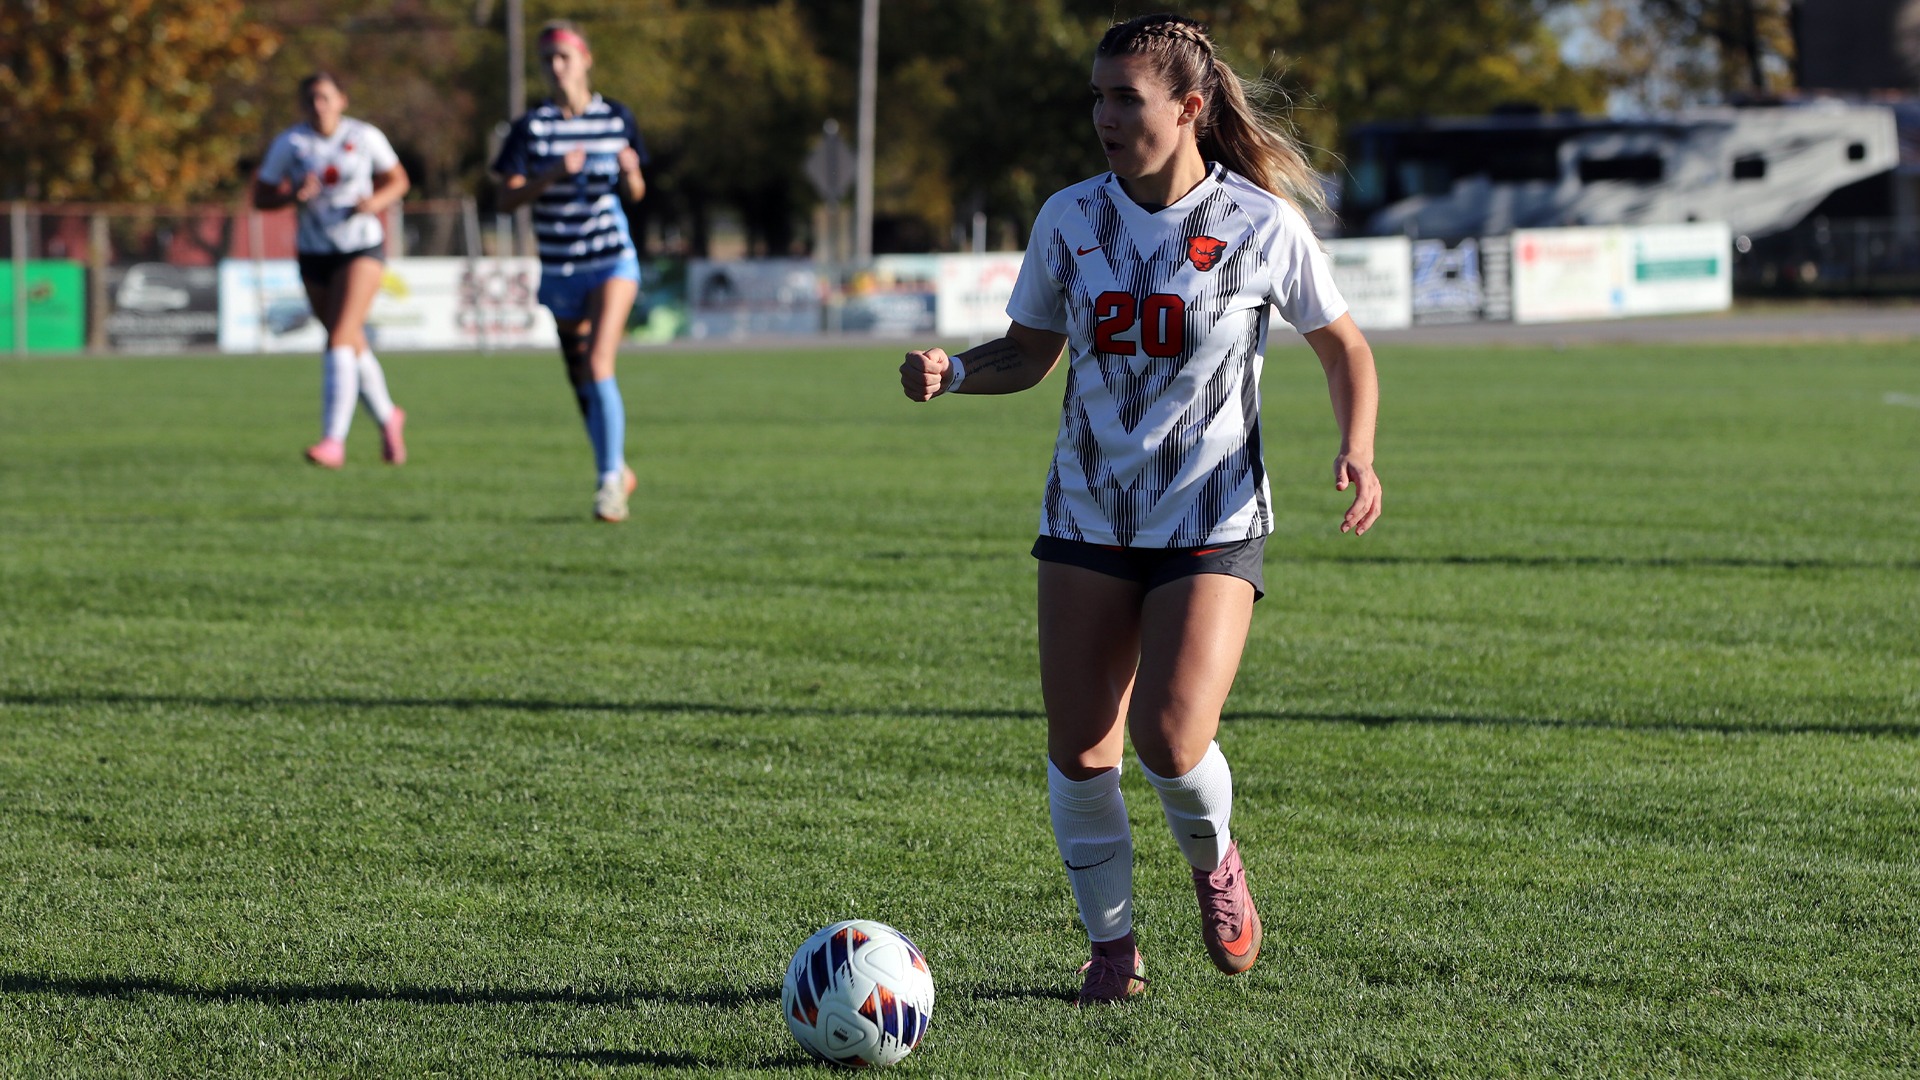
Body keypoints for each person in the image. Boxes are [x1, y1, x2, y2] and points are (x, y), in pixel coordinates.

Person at [899, 13, 1383, 1006]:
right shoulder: (1070, 219)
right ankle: (1112, 953)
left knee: (1169, 738)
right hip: (1085, 517)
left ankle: (1216, 865)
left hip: (1212, 518)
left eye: (1125, 98)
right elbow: (1029, 355)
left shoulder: (1257, 224)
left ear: (1190, 107)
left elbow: (1344, 348)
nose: (1104, 117)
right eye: (1096, 98)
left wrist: (1358, 447)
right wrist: (954, 373)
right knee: (1082, 752)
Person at [492, 20, 648, 523]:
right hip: (560, 265)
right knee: (580, 374)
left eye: (564, 57)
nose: (556, 67)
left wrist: (631, 175)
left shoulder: (617, 117)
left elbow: (637, 194)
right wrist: (552, 174)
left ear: (585, 60)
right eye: (547, 60)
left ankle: (608, 485)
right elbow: (506, 197)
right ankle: (616, 465)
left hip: (610, 257)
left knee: (600, 362)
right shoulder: (531, 127)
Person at [253, 72, 410, 469]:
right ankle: (389, 416)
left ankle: (333, 441)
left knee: (339, 338)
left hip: (361, 247)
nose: (317, 106)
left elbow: (398, 181)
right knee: (349, 341)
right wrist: (291, 195)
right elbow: (261, 196)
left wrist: (374, 202)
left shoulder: (364, 136)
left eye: (325, 98)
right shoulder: (291, 143)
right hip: (314, 252)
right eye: (310, 99)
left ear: (342, 99)